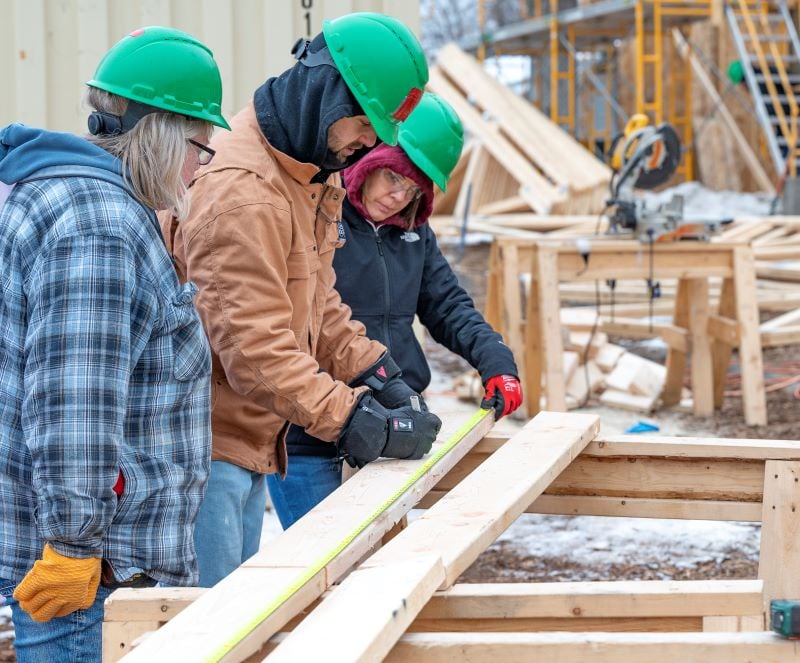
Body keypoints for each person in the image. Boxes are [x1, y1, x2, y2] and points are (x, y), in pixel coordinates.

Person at [161, 12, 441, 588]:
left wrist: (375, 369)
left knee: (240, 614)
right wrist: (351, 417)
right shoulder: (245, 193)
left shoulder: (310, 171)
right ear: (327, 92)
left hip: (249, 439)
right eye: (364, 125)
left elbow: (317, 298)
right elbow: (254, 349)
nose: (367, 145)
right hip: (203, 449)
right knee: (210, 628)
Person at [0, 26, 229, 662]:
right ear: (161, 133)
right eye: (198, 149)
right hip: (96, 572)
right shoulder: (99, 225)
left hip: (99, 557)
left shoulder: (62, 195)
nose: (197, 169)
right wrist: (73, 546)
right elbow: (75, 405)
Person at [266, 92, 523, 529]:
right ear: (371, 160)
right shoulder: (321, 218)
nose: (397, 197)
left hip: (393, 423)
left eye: (412, 189)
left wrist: (495, 359)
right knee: (323, 572)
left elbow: (448, 306)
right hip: (312, 433)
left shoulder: (413, 234)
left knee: (377, 572)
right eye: (392, 177)